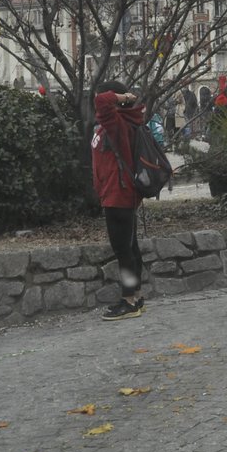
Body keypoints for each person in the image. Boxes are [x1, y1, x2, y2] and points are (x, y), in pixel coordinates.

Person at [92, 81, 149, 320]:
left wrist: (120, 96)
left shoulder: (116, 123)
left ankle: (128, 301)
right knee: (130, 247)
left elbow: (101, 101)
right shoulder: (120, 122)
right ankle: (135, 296)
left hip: (118, 194)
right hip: (116, 193)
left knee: (123, 250)